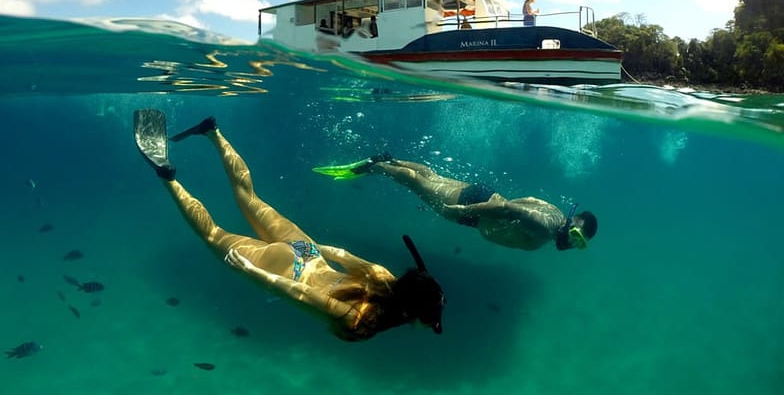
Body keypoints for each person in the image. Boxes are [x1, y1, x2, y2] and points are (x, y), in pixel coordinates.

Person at [133, 110, 445, 341]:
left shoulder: (384, 277)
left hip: (307, 253)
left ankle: (212, 132)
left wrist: (309, 250)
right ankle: (167, 175)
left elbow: (341, 253)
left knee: (249, 198)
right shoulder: (362, 320)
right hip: (286, 271)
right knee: (212, 233)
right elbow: (300, 294)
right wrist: (252, 271)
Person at [313, 154, 597, 252]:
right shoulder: (545, 225)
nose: (572, 244)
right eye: (575, 236)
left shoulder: (555, 212)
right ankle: (377, 166)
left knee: (431, 177)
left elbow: (522, 200)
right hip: (476, 211)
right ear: (571, 222)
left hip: (485, 196)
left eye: (579, 243)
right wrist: (464, 211)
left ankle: (391, 158)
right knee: (418, 184)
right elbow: (507, 209)